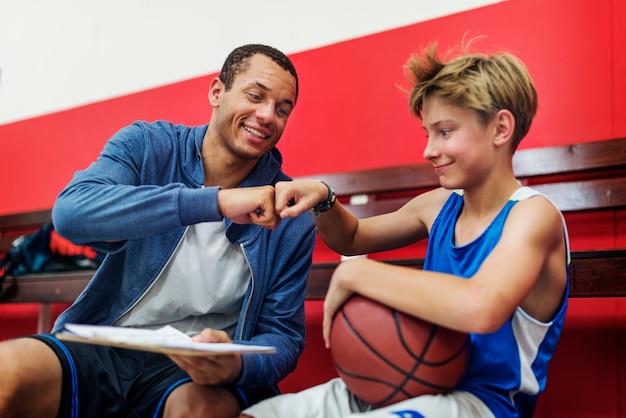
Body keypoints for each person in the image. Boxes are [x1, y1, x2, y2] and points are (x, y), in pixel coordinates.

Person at [240, 40, 570, 418]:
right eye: (427, 133)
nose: (429, 150)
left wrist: (359, 273)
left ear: (500, 128)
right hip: (414, 383)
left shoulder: (533, 216)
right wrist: (324, 199)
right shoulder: (440, 206)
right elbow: (351, 238)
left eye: (445, 132)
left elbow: (483, 306)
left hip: (485, 404)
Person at [0, 44, 316, 418]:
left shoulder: (290, 212)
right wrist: (215, 203)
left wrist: (239, 366)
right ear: (217, 92)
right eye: (255, 95)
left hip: (193, 374)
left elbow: (284, 337)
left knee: (196, 412)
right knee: (7, 372)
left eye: (282, 109)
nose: (267, 116)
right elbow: (72, 213)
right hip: (105, 345)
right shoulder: (148, 145)